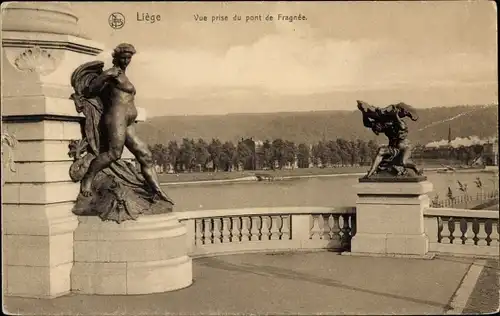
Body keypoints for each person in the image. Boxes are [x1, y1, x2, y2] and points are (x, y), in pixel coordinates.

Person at [79, 43, 173, 204]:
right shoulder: (113, 73)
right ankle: (87, 179)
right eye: (123, 57)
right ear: (115, 57)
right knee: (114, 153)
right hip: (117, 117)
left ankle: (157, 191)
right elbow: (91, 90)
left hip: (128, 120)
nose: (126, 60)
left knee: (145, 155)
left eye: (128, 58)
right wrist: (105, 75)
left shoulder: (123, 75)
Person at [357, 100, 422, 178]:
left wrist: (395, 115)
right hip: (393, 148)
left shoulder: (400, 124)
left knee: (403, 162)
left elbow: (402, 126)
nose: (379, 128)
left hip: (405, 147)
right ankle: (370, 172)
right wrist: (364, 112)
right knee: (381, 151)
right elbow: (367, 124)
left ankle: (414, 166)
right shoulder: (386, 126)